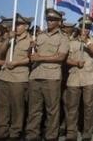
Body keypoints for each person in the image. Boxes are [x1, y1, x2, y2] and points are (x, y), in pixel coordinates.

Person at [25, 8, 69, 141]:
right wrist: (30, 48)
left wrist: (40, 58)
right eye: (48, 19)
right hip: (36, 75)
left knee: (52, 110)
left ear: (59, 22)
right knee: (34, 109)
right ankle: (32, 135)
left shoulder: (63, 38)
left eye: (53, 20)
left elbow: (60, 57)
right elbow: (31, 56)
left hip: (51, 77)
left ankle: (51, 136)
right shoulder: (39, 35)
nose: (50, 21)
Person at [0, 14, 30, 140]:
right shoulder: (9, 38)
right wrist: (8, 40)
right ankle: (1, 131)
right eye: (15, 25)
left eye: (19, 25)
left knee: (17, 106)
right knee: (2, 105)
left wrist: (17, 62)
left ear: (26, 26)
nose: (16, 27)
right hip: (5, 76)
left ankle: (15, 132)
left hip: (19, 77)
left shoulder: (31, 40)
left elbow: (31, 58)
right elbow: (0, 53)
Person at [65, 15, 93, 140]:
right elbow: (66, 59)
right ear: (79, 27)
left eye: (88, 27)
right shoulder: (71, 41)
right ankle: (71, 133)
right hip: (74, 79)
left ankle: (87, 133)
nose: (85, 29)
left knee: (89, 108)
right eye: (83, 26)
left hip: (90, 78)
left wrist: (87, 41)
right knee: (72, 108)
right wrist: (75, 63)